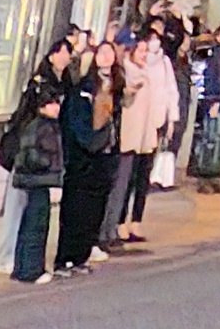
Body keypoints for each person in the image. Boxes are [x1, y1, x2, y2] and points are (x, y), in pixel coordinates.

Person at [0, 47, 69, 285]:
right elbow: (33, 155)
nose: (57, 107)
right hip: (36, 180)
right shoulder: (39, 126)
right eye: (52, 103)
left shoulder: (41, 124)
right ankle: (29, 269)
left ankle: (22, 267)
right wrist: (49, 166)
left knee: (30, 222)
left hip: (35, 179)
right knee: (33, 224)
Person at [108, 28, 182, 249]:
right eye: (141, 50)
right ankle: (120, 223)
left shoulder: (157, 67)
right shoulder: (127, 72)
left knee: (142, 179)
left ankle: (135, 222)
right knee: (127, 180)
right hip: (131, 133)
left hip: (149, 130)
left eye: (146, 50)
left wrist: (169, 119)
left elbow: (169, 92)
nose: (145, 54)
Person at [52, 44, 119, 277]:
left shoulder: (117, 87)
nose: (106, 57)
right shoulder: (84, 89)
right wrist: (95, 141)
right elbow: (80, 128)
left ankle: (81, 256)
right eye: (102, 53)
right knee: (76, 210)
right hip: (83, 161)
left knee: (94, 211)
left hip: (104, 160)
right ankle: (65, 259)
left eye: (110, 53)